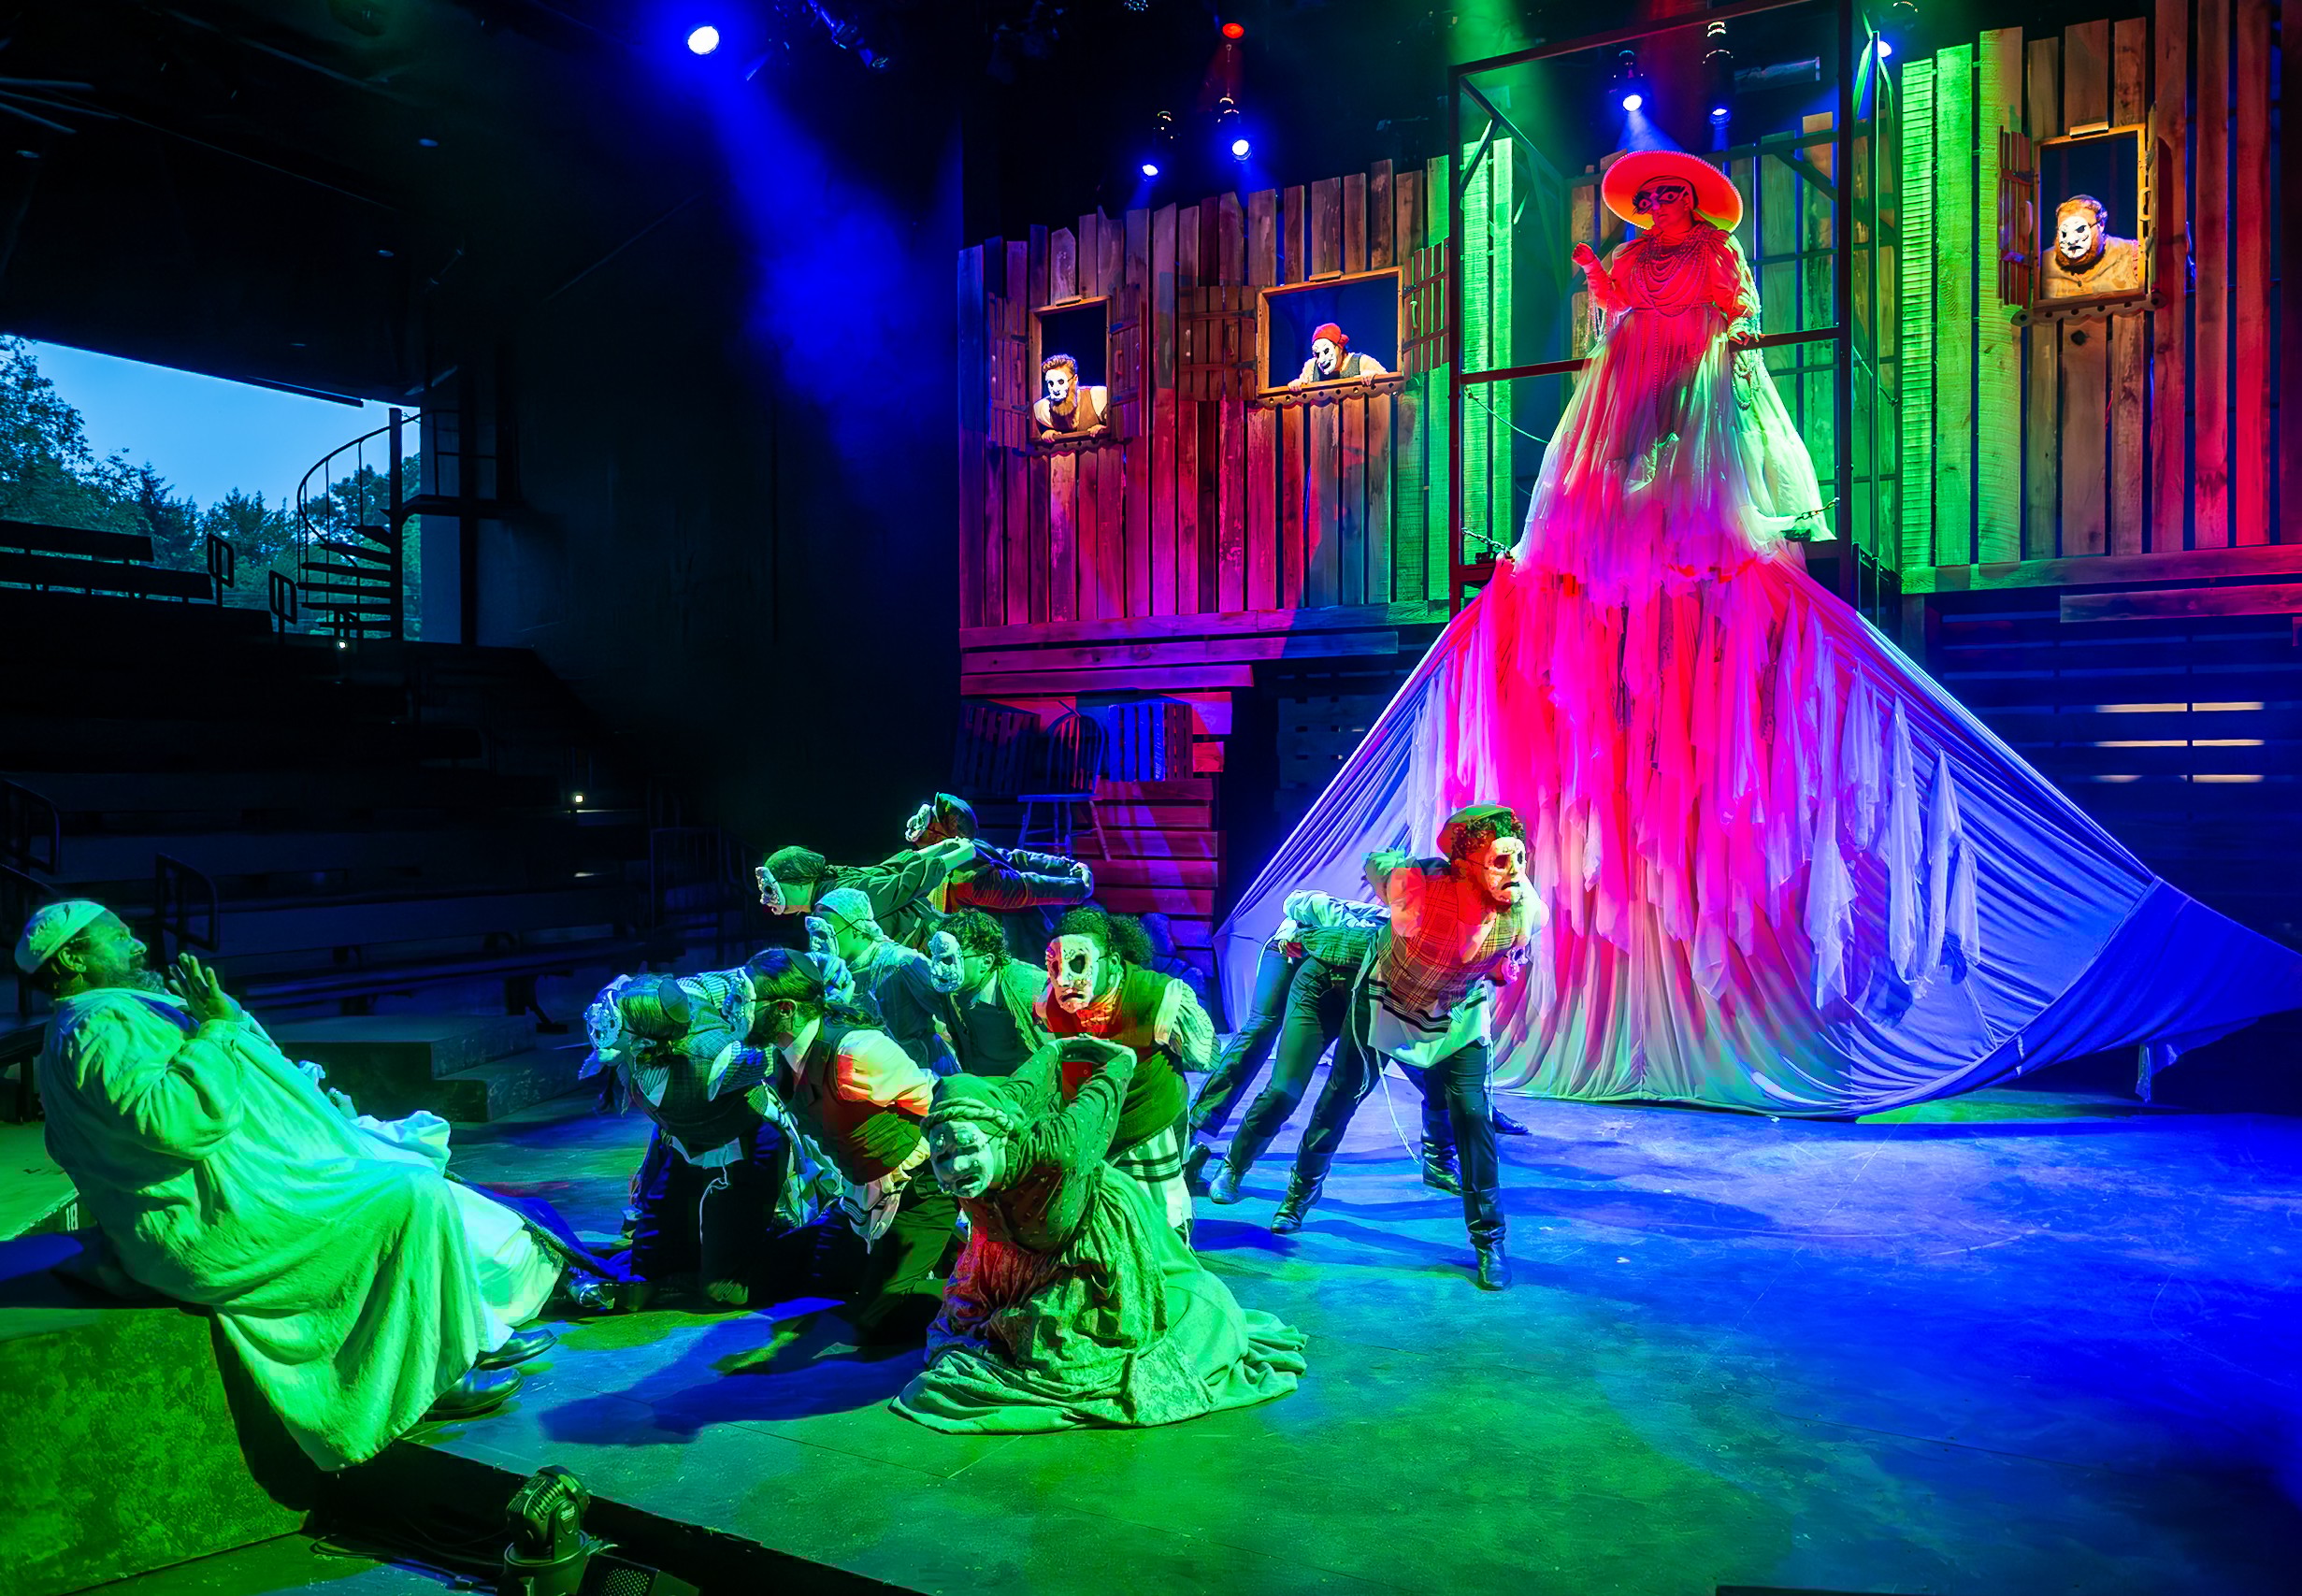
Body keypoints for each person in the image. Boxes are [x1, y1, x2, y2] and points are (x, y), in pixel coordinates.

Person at [1218, 145, 2302, 1132]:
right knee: (1604, 492)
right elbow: (1617, 336)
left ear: (1696, 202)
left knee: (1690, 512)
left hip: (1689, 383)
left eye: (1671, 196)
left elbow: (1729, 340)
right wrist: (1616, 310)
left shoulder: (1710, 264)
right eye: (1648, 198)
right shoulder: (1635, 271)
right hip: (1630, 391)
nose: (1658, 209)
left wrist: (1703, 345)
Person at [21, 901, 565, 1468]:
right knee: (410, 1194)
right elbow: (172, 1120)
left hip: (245, 1191)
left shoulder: (121, 1012)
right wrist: (213, 1030)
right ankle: (424, 1381)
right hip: (207, 1224)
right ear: (71, 960)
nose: (137, 945)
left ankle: (462, 1341)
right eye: (118, 937)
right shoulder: (95, 1028)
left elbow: (238, 1057)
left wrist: (223, 1018)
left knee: (404, 1177)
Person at [890, 1035, 1306, 1433]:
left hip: (1083, 1234)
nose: (956, 1165)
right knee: (979, 1331)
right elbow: (1019, 1089)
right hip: (1017, 1242)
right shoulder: (978, 1156)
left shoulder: (1060, 1148)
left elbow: (1100, 1098)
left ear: (997, 1135)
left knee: (1062, 1355)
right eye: (943, 1155)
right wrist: (1055, 1050)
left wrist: (1121, 1060)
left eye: (965, 1146)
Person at [1212, 809, 1539, 1292]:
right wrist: (1395, 867)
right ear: (1467, 863)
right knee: (1340, 1095)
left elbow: (1514, 952)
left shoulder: (1525, 906)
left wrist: (1504, 963)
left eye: (1520, 859)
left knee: (1473, 1116)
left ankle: (1489, 1242)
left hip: (1458, 1019)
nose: (1514, 872)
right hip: (1386, 1006)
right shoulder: (1419, 884)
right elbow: (1375, 863)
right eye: (1499, 860)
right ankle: (1298, 1195)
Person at [746, 946, 960, 1346]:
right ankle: (945, 1254)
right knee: (793, 1275)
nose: (737, 1008)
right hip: (861, 1192)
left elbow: (939, 1102)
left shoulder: (855, 1051)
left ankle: (979, 1285)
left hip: (918, 1189)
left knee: (878, 1321)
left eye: (748, 1000)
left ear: (786, 1008)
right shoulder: (783, 1056)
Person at [583, 969, 825, 1309]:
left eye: (621, 1017)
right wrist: (650, 1167)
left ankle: (825, 1238)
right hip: (682, 1146)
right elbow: (734, 978)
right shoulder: (674, 999)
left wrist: (808, 994)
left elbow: (778, 1051)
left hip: (745, 1155)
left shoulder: (715, 1058)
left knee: (724, 1289)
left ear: (645, 1038)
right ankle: (700, 1247)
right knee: (649, 1269)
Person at [1035, 907, 1214, 1235]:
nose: (1064, 979)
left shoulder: (1156, 996)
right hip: (1089, 1121)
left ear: (1113, 962)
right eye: (1055, 966)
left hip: (1147, 1117)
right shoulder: (1049, 1004)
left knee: (1159, 1215)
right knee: (1094, 1214)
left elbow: (1201, 1053)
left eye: (1078, 963)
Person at [900, 792, 1095, 957]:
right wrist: (1078, 888)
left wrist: (1065, 866)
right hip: (1005, 958)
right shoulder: (962, 876)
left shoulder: (964, 849)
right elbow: (1022, 888)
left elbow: (1011, 858)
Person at [811, 887, 959, 1076]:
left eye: (825, 933)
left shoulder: (900, 962)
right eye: (813, 933)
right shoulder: (828, 973)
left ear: (857, 929)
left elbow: (951, 1009)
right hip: (872, 1077)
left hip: (923, 1072)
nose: (817, 943)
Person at [757, 835, 978, 950]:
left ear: (796, 881)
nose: (765, 899)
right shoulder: (830, 889)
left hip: (925, 946)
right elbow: (888, 868)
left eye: (770, 889)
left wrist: (963, 853)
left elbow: (902, 883)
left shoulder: (837, 898)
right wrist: (942, 846)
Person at [937, 907, 1052, 1077]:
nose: (940, 968)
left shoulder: (1032, 988)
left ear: (986, 961)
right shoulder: (952, 989)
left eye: (951, 959)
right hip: (984, 1088)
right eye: (938, 958)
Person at [2041, 193, 2143, 298]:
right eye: (2064, 232)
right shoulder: (2043, 262)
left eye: (2080, 229)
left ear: (2101, 225)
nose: (2071, 241)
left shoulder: (2131, 254)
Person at [1032, 353, 1109, 442]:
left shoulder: (1096, 397)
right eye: (1051, 383)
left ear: (1075, 379)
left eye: (1061, 382)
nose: (1056, 389)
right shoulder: (1044, 409)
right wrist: (1048, 433)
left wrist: (1104, 428)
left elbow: (1118, 427)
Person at [1289, 322, 1387, 389]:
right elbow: (1302, 384)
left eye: (1326, 351)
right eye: (1317, 354)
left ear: (1340, 348)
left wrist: (1374, 376)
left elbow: (1389, 383)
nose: (1321, 360)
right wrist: (1297, 384)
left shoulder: (1362, 362)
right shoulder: (1311, 367)